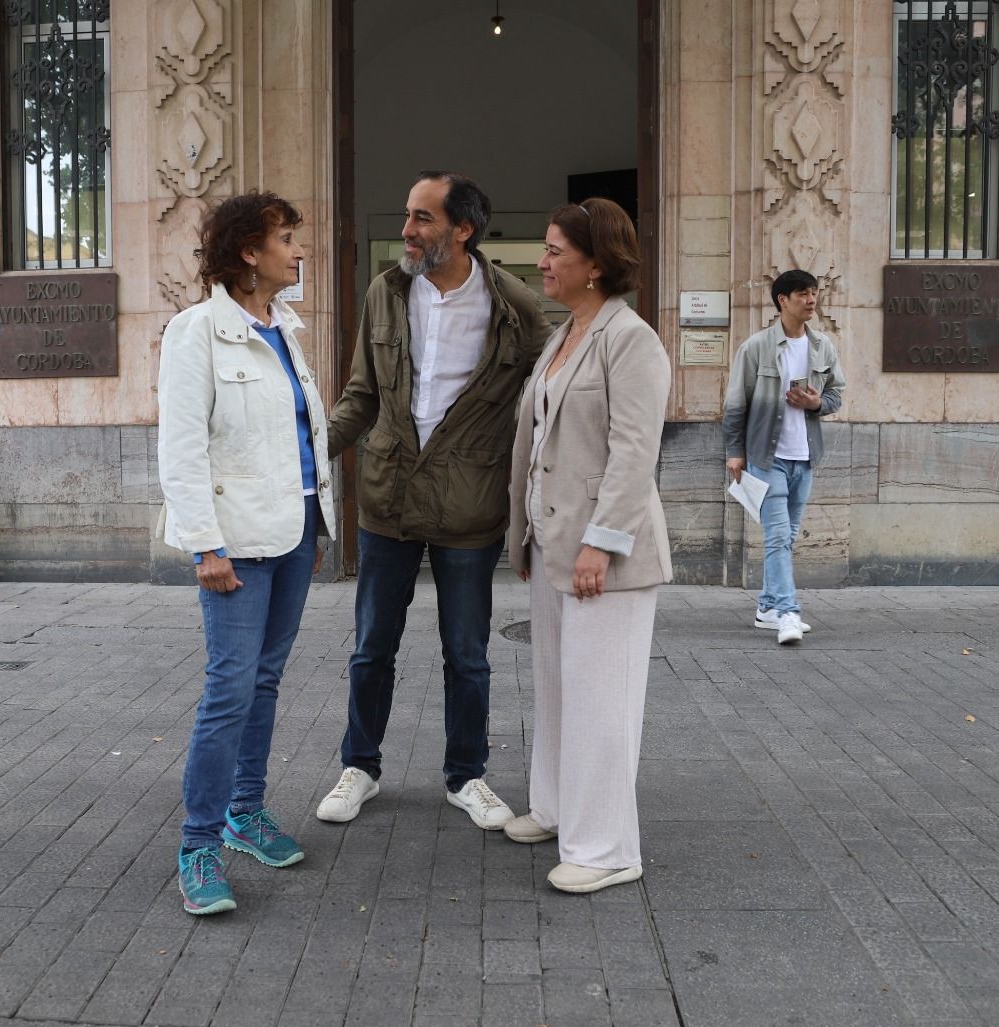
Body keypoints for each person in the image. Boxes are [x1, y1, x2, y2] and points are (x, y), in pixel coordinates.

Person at [316, 171, 551, 830]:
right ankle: (359, 766)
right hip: (388, 498)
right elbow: (361, 394)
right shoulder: (387, 292)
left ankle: (467, 776)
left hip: (469, 507)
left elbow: (542, 406)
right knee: (371, 647)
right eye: (408, 215)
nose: (407, 230)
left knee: (468, 654)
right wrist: (308, 454)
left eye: (422, 218)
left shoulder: (516, 307)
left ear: (462, 229)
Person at [157, 191, 336, 915]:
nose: (299, 251)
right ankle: (198, 847)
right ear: (248, 253)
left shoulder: (285, 330)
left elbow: (302, 437)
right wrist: (205, 544)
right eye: (286, 239)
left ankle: (244, 814)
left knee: (263, 682)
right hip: (233, 545)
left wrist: (317, 525)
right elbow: (182, 446)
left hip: (292, 532)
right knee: (229, 689)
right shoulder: (196, 331)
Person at [501, 199, 672, 894]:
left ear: (595, 264)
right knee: (558, 686)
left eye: (554, 252)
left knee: (602, 697)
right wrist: (526, 534)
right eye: (543, 250)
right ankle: (557, 806)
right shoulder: (565, 332)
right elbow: (540, 441)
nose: (542, 262)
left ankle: (606, 850)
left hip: (606, 555)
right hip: (553, 543)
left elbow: (635, 453)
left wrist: (601, 544)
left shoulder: (630, 340)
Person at [721, 269, 846, 645]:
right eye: (803, 294)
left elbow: (837, 395)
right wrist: (734, 452)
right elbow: (734, 405)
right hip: (765, 455)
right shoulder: (756, 347)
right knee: (777, 537)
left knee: (786, 537)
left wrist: (816, 402)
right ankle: (788, 614)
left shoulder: (823, 347)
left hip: (805, 457)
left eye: (814, 293)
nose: (811, 300)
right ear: (783, 300)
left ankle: (766, 607)